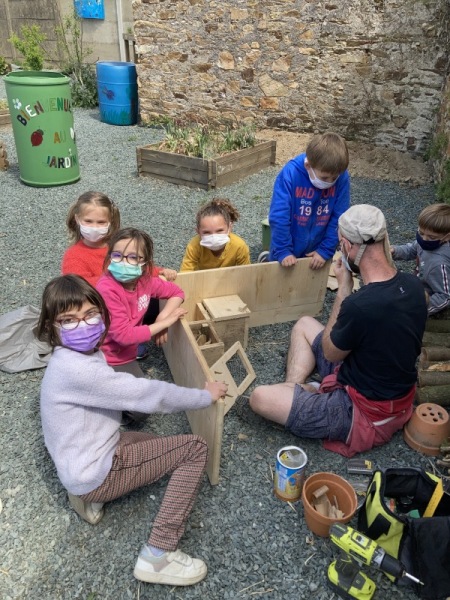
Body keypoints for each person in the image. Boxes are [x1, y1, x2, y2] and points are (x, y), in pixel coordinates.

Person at [37, 274, 228, 586]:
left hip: (81, 458)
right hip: (95, 470)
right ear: (51, 327)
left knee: (155, 445)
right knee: (194, 449)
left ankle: (85, 495)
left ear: (102, 313)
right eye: (68, 320)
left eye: (90, 314)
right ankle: (159, 554)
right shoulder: (80, 370)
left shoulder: (68, 357)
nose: (83, 325)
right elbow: (147, 394)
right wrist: (204, 396)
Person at [250, 204, 428, 457]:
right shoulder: (414, 286)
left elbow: (331, 352)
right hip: (392, 391)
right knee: (304, 323)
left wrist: (344, 289)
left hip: (364, 410)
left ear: (346, 245)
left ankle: (302, 393)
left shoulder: (359, 305)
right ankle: (295, 387)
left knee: (259, 398)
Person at [96, 228, 185, 382]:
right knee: (139, 393)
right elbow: (123, 336)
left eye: (133, 257)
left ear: (145, 263)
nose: (123, 262)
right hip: (109, 357)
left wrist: (162, 317)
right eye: (117, 255)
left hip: (128, 350)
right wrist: (165, 323)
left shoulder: (144, 280)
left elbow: (177, 292)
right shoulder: (107, 289)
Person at [258, 132, 350, 269]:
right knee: (280, 279)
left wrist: (325, 250)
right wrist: (283, 250)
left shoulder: (341, 176)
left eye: (334, 178)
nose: (330, 182)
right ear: (308, 166)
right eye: (324, 178)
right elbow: (279, 215)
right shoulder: (291, 173)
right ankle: (267, 258)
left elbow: (340, 217)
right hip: (287, 245)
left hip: (317, 250)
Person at [61, 191, 177, 287]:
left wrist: (160, 271)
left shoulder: (119, 245)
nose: (94, 227)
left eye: (101, 222)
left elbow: (139, 265)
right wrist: (118, 276)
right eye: (88, 221)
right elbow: (78, 287)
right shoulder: (73, 255)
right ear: (77, 219)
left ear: (110, 222)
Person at [391, 203, 450, 315]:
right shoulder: (425, 243)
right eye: (421, 233)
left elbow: (445, 296)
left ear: (447, 237)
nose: (424, 239)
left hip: (429, 297)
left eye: (432, 237)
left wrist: (419, 311)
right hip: (420, 284)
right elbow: (411, 250)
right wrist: (395, 251)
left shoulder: (440, 264)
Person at [180, 198, 250, 271]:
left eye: (219, 231)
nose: (214, 237)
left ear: (229, 228)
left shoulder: (239, 246)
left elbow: (246, 272)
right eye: (207, 232)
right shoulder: (194, 246)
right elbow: (186, 272)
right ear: (198, 232)